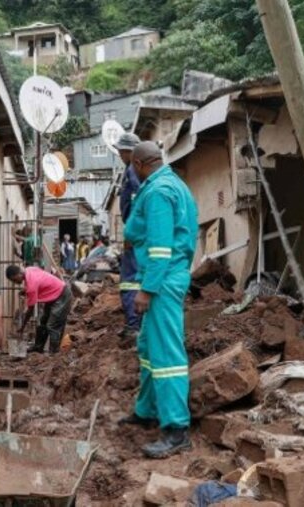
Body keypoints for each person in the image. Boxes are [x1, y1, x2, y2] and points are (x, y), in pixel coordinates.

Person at [118, 141, 199, 459]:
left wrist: (147, 289)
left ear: (138, 164)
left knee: (166, 355)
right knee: (149, 348)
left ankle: (176, 430)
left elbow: (161, 248)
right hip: (165, 277)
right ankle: (147, 410)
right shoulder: (173, 184)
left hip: (162, 282)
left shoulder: (158, 192)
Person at [5, 264, 73, 354]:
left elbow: (30, 310)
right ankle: (38, 347)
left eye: (14, 280)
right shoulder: (29, 269)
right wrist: (25, 289)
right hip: (53, 295)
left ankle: (54, 352)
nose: (15, 282)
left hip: (62, 295)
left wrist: (23, 327)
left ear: (19, 274)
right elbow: (40, 279)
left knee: (53, 325)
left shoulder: (31, 286)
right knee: (42, 322)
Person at [115, 133, 143, 342]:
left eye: (121, 150)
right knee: (130, 281)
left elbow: (138, 199)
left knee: (130, 282)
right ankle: (133, 324)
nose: (118, 154)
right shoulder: (130, 169)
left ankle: (134, 326)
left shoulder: (134, 170)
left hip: (134, 233)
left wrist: (132, 232)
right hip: (134, 231)